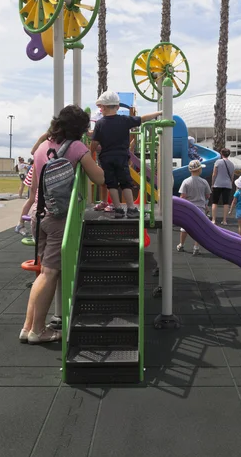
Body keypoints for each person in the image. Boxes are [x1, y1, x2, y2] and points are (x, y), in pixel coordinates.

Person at [20, 105, 104, 345]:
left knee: (43, 272)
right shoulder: (77, 147)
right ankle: (38, 330)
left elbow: (35, 187)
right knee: (50, 273)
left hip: (39, 213)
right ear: (79, 128)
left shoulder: (42, 148)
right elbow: (99, 178)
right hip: (58, 217)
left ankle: (28, 327)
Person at [90, 90, 162, 219]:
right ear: (117, 107)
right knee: (125, 182)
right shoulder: (124, 120)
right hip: (122, 156)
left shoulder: (100, 124)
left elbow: (94, 142)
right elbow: (143, 119)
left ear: (103, 108)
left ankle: (118, 209)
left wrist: (91, 154)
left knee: (111, 183)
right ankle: (131, 208)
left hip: (106, 158)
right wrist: (159, 113)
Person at [177, 160, 211, 256]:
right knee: (198, 228)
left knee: (184, 228)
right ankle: (196, 247)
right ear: (199, 170)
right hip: (200, 208)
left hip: (188, 208)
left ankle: (181, 245)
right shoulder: (204, 182)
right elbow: (208, 195)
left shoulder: (186, 181)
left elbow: (182, 196)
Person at [211, 148, 235, 225]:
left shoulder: (218, 162)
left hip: (217, 184)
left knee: (215, 202)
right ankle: (224, 220)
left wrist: (212, 183)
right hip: (227, 185)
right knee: (226, 203)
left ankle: (214, 219)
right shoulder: (232, 164)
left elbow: (214, 174)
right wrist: (230, 183)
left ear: (221, 154)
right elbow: (232, 176)